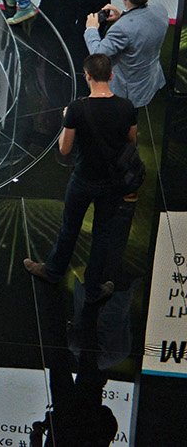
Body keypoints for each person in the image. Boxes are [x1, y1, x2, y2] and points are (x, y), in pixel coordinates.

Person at [26, 52, 136, 303]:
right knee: (102, 234)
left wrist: (66, 120)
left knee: (69, 228)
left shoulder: (77, 108)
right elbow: (131, 141)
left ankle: (53, 271)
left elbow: (64, 149)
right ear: (111, 75)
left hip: (83, 178)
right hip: (112, 181)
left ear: (87, 76)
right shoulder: (126, 107)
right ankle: (94, 289)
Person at [86, 0, 166, 107]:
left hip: (129, 92)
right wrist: (124, 16)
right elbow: (141, 26)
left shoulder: (121, 29)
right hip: (149, 80)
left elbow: (97, 53)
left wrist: (91, 29)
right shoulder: (160, 10)